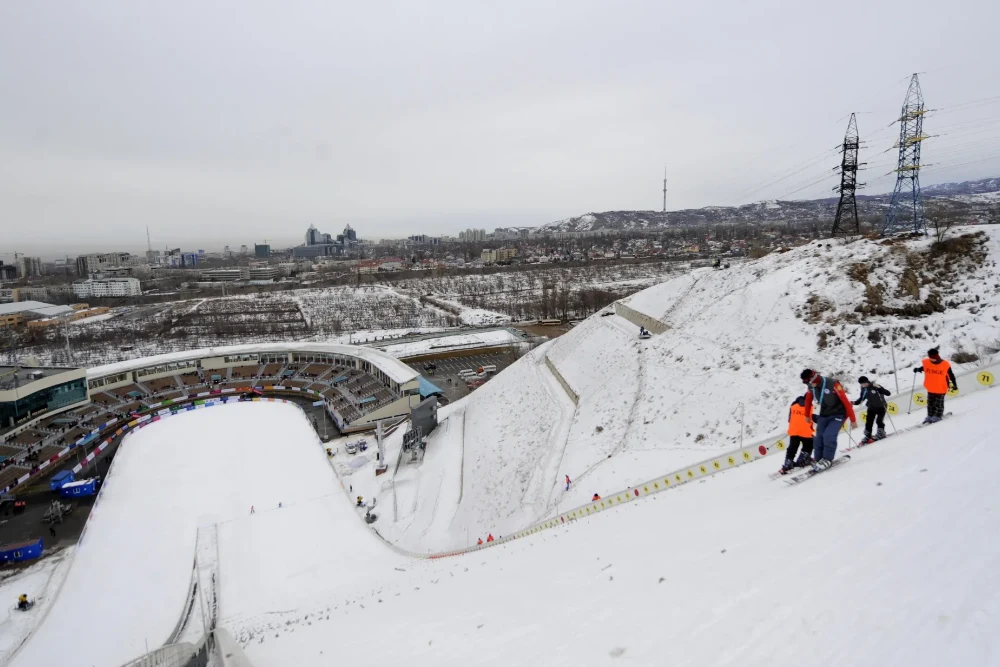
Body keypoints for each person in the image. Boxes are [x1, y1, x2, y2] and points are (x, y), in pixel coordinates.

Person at [801, 369, 857, 470]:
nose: (808, 385)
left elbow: (845, 401)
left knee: (828, 435)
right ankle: (819, 459)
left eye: (809, 382)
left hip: (838, 414)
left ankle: (827, 459)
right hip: (824, 414)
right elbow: (808, 400)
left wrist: (853, 420)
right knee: (818, 438)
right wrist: (807, 415)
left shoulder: (832, 384)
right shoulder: (811, 387)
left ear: (814, 378)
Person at [913, 348, 958, 423]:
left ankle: (937, 416)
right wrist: (918, 369)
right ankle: (930, 415)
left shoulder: (945, 364)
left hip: (941, 387)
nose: (931, 359)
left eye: (933, 358)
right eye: (930, 357)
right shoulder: (927, 362)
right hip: (931, 387)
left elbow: (951, 375)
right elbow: (925, 368)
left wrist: (954, 384)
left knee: (938, 403)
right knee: (930, 403)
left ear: (937, 356)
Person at [781, 394, 815, 474]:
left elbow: (789, 419)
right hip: (805, 431)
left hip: (793, 430)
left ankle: (788, 463)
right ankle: (803, 459)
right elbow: (814, 419)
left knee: (792, 447)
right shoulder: (811, 407)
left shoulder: (793, 405)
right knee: (809, 445)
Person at [854, 376, 891, 442]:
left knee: (879, 421)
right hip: (871, 407)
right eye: (861, 384)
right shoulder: (863, 389)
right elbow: (860, 399)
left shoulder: (875, 386)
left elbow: (888, 393)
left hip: (881, 406)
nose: (863, 385)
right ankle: (868, 436)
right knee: (869, 422)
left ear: (867, 381)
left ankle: (881, 433)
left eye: (864, 383)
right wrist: (853, 402)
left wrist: (879, 388)